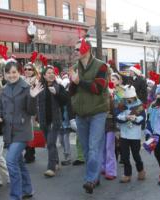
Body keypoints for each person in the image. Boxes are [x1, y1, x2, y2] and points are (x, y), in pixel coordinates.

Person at [0, 61, 43, 200]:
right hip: (8, 131)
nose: (11, 75)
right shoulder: (3, 90)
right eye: (8, 73)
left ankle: (15, 196)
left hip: (22, 131)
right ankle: (27, 189)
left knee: (10, 161)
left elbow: (32, 111)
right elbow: (1, 109)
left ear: (19, 72)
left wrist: (33, 97)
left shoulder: (27, 87)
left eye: (14, 72)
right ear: (4, 74)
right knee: (19, 162)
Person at [69, 38, 109, 194]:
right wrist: (73, 82)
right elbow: (71, 92)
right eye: (75, 49)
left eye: (78, 49)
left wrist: (79, 81)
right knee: (86, 149)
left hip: (98, 112)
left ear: (87, 50)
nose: (76, 51)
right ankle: (95, 175)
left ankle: (90, 179)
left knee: (93, 147)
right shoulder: (74, 68)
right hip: (80, 114)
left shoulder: (102, 66)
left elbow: (98, 88)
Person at [37, 65, 68, 177]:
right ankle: (56, 161)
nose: (51, 74)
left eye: (52, 72)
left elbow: (65, 101)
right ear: (44, 76)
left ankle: (51, 168)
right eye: (48, 73)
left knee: (50, 143)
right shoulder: (39, 87)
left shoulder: (59, 86)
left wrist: (57, 93)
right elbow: (36, 103)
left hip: (55, 120)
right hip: (44, 120)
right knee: (50, 143)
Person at [116, 85, 146, 183]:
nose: (129, 100)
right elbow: (117, 117)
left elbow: (143, 118)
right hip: (124, 134)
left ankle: (141, 170)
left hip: (135, 135)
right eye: (127, 98)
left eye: (131, 98)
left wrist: (135, 118)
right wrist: (125, 118)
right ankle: (127, 174)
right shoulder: (120, 104)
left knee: (136, 154)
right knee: (124, 156)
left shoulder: (139, 105)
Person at [22, 62, 40, 164]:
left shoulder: (36, 81)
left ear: (33, 71)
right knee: (24, 132)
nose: (27, 71)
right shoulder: (21, 80)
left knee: (31, 132)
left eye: (30, 69)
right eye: (26, 69)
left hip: (32, 110)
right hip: (22, 110)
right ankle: (27, 152)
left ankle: (30, 154)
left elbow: (38, 97)